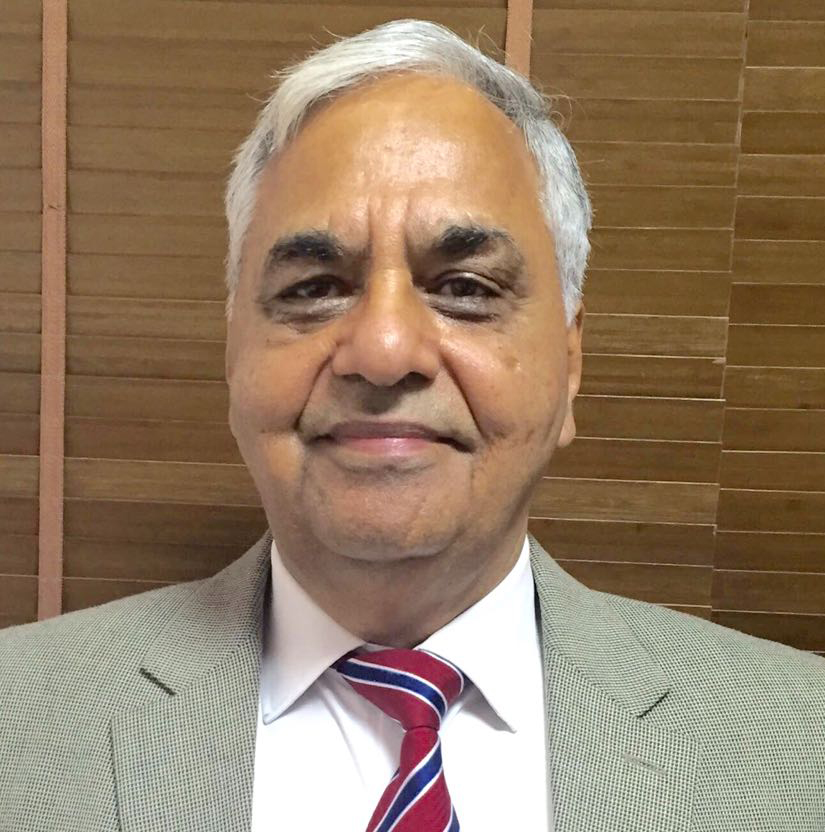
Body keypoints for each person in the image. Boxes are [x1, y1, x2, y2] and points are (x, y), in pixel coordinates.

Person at [2, 18, 823, 832]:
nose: (384, 351)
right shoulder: (20, 718)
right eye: (314, 288)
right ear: (234, 353)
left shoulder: (799, 746)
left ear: (569, 363)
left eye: (465, 288)